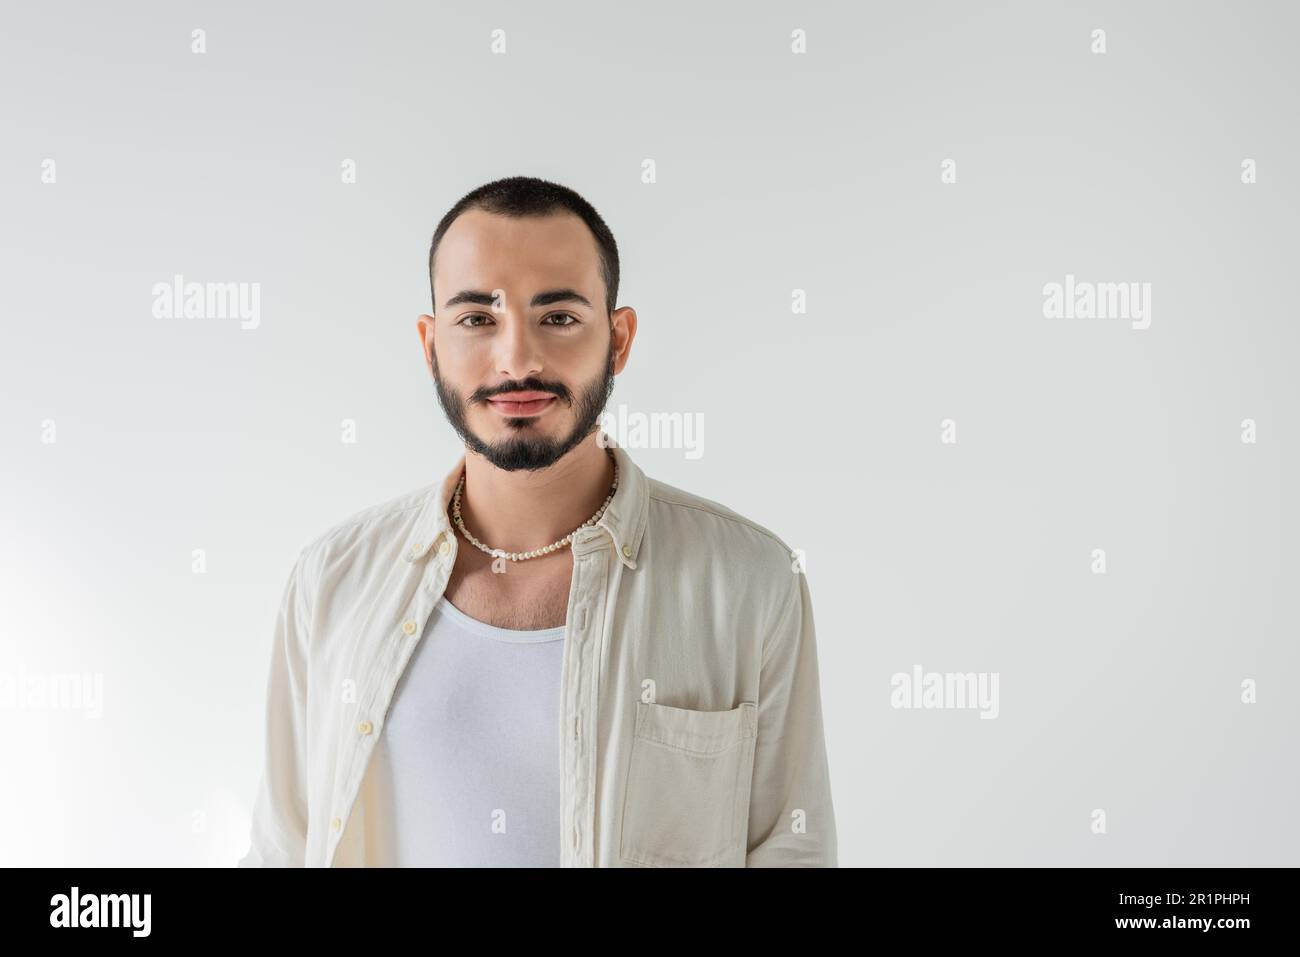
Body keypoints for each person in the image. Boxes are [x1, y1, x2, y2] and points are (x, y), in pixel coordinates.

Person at [239, 175, 837, 867]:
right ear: (430, 345)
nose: (518, 358)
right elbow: (282, 846)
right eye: (477, 318)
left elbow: (793, 846)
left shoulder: (746, 579)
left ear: (618, 339)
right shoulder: (333, 578)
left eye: (557, 317)